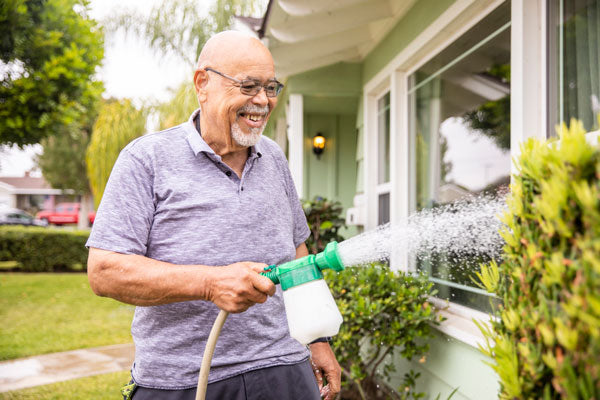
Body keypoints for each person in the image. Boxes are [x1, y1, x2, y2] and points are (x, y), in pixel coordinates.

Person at [86, 31, 341, 400]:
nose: (263, 101)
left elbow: (297, 253)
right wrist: (209, 283)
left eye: (271, 88)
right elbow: (104, 271)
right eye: (249, 85)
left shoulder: (274, 158)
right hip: (183, 381)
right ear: (202, 83)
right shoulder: (146, 159)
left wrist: (317, 340)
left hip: (285, 368)